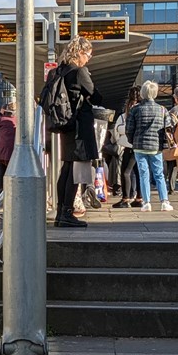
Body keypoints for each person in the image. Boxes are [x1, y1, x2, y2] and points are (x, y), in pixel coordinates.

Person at [52, 36, 102, 228]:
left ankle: (60, 212)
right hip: (79, 126)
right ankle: (67, 213)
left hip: (66, 124)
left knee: (66, 169)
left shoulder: (60, 70)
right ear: (80, 52)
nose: (88, 59)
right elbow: (97, 95)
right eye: (88, 55)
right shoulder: (80, 71)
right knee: (75, 172)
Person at [125, 80, 174, 213]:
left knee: (143, 174)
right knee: (159, 175)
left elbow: (129, 129)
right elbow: (168, 129)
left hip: (139, 146)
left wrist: (133, 141)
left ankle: (146, 203)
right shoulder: (162, 110)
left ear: (142, 93)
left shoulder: (135, 109)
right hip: (156, 146)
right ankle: (164, 201)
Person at [112, 85, 142, 209]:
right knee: (139, 172)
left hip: (129, 147)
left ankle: (126, 198)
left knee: (125, 172)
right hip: (140, 146)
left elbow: (118, 129)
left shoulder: (127, 112)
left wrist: (121, 136)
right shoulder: (142, 109)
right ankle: (139, 198)